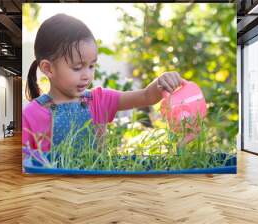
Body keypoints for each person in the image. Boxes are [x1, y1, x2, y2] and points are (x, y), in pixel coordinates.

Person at [22, 13, 183, 153]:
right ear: (48, 68)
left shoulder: (99, 100)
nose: (87, 75)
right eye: (77, 67)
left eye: (92, 66)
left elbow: (146, 96)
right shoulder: (30, 116)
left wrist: (162, 82)